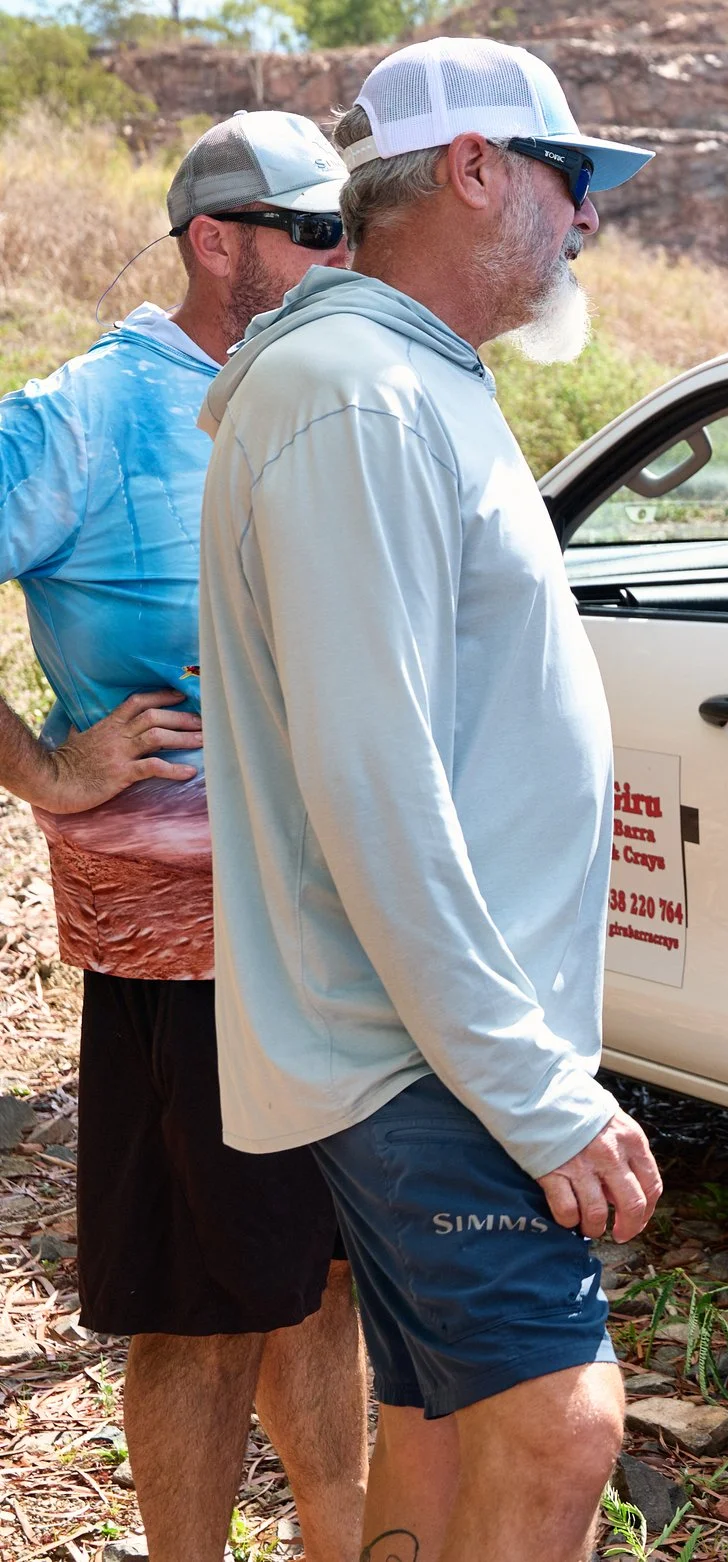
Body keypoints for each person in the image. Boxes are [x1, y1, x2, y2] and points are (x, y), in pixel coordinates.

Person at [194, 38, 663, 1560]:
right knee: (561, 1425)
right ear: (474, 168)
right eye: (569, 177)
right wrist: (534, 1089)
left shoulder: (400, 378)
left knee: (447, 1425)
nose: (584, 218)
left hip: (429, 1037)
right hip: (426, 1054)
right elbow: (371, 788)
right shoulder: (356, 398)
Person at [0, 112, 369, 1562]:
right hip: (189, 953)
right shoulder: (87, 412)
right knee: (206, 1306)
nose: (351, 259)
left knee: (328, 1280)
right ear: (220, 241)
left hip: (344, 935)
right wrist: (45, 769)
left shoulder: (324, 395)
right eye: (322, 232)